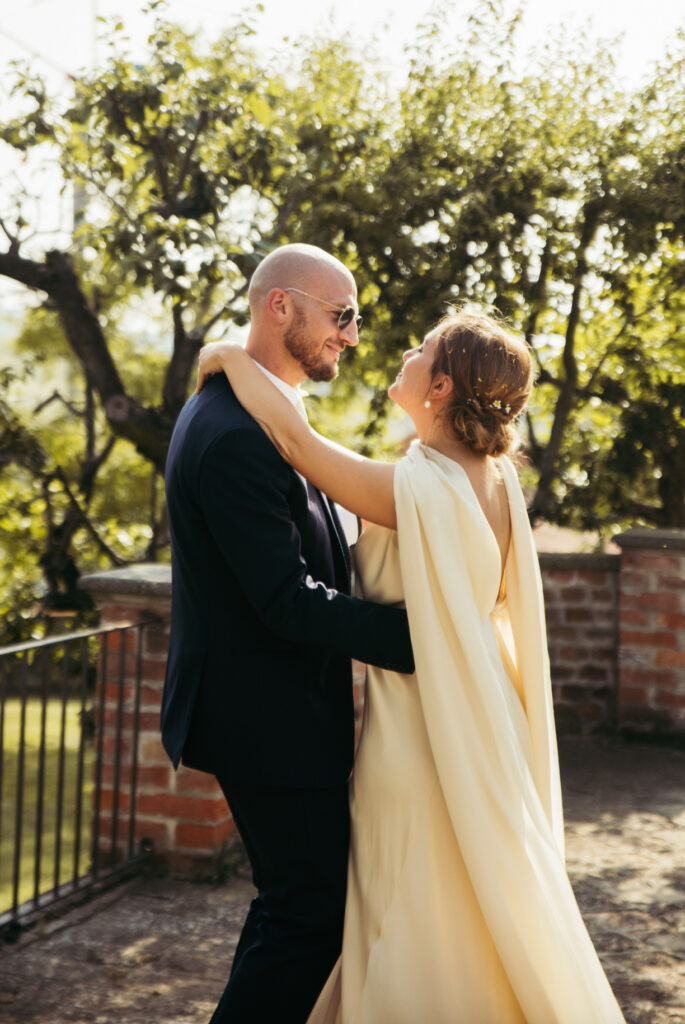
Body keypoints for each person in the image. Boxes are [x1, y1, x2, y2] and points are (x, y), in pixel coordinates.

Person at [195, 307, 626, 1024]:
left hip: (424, 736)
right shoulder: (485, 478)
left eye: (420, 349)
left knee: (410, 899)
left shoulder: (420, 490)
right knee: (454, 896)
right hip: (470, 711)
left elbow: (295, 442)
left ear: (442, 388)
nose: (403, 349)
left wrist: (232, 357)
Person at [161, 243, 415, 1024]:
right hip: (260, 715)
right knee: (307, 913)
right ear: (280, 307)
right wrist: (420, 640)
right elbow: (284, 600)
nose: (351, 334)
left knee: (292, 906)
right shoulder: (234, 431)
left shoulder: (263, 411)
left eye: (355, 320)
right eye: (341, 316)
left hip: (274, 709)